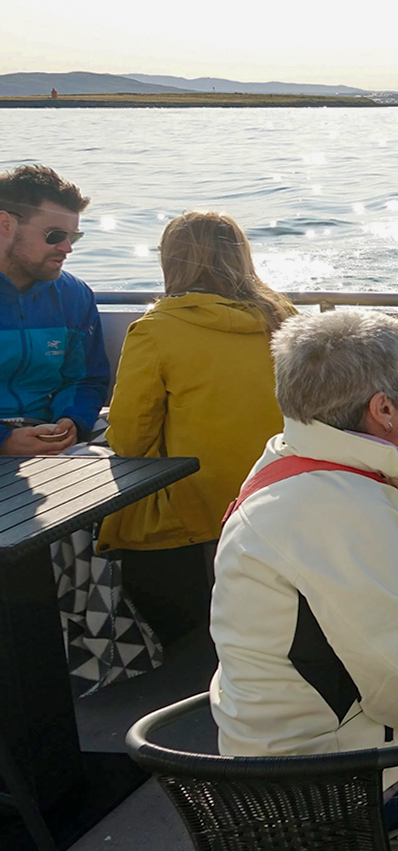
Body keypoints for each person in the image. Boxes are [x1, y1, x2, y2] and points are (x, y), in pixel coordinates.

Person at [209, 310, 398, 827]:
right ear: (383, 409)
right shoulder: (341, 512)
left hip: (305, 756)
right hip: (338, 788)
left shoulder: (300, 464)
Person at [97, 213, 296, 646]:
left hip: (199, 499)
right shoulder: (285, 319)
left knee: (121, 506)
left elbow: (129, 439)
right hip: (282, 490)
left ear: (171, 262)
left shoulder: (155, 330)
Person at [0, 165, 108, 455]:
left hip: (49, 435)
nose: (67, 248)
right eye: (55, 235)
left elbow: (87, 378)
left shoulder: (75, 296)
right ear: (5, 225)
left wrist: (72, 419)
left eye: (73, 237)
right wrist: (4, 442)